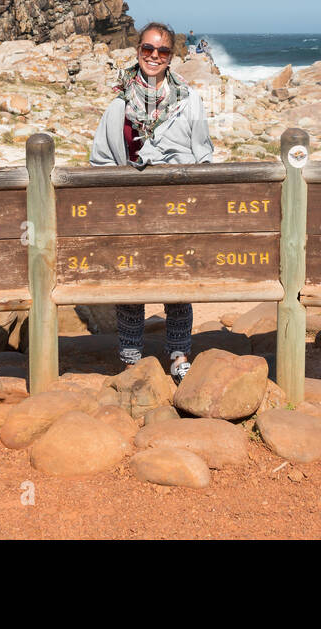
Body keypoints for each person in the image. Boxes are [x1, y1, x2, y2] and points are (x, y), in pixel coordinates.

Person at [90, 21, 213, 381]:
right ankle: (131, 358)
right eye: (148, 49)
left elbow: (202, 154)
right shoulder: (118, 103)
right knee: (130, 281)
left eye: (162, 51)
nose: (154, 56)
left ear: (171, 56)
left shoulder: (189, 100)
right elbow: (101, 157)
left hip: (176, 207)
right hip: (131, 209)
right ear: (138, 51)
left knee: (178, 282)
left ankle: (178, 354)